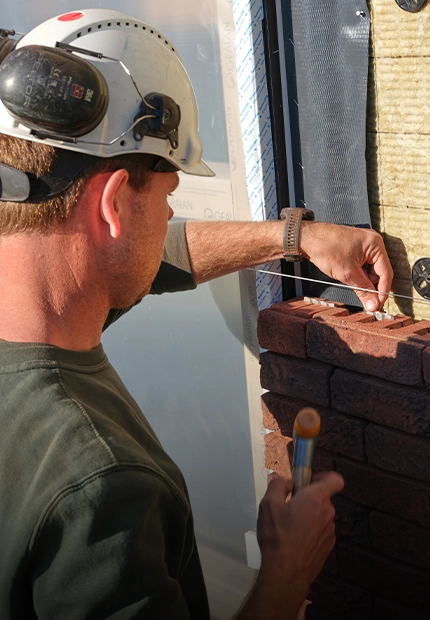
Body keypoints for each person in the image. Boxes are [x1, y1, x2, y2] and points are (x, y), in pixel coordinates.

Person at [0, 9, 390, 620]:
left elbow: (149, 256)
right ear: (111, 208)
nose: (169, 215)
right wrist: (288, 571)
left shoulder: (33, 311)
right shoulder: (100, 488)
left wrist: (295, 236)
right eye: (166, 196)